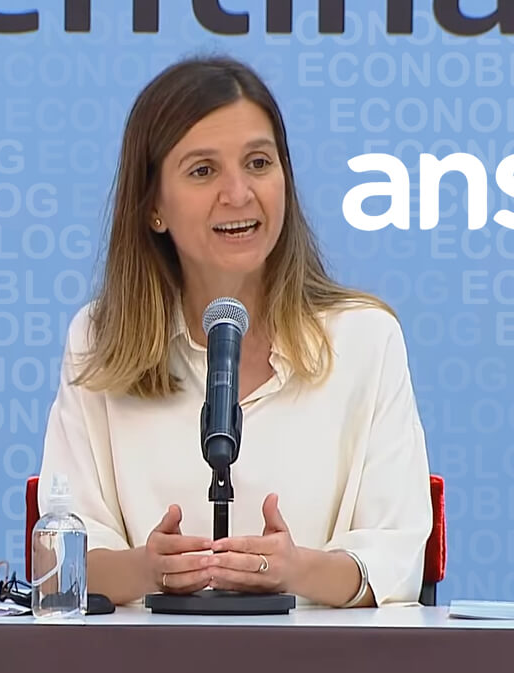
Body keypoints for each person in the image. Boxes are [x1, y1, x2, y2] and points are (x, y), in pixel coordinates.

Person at [37, 54, 432, 608]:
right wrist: (149, 570)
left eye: (258, 163)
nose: (239, 193)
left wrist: (296, 571)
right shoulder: (100, 339)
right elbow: (60, 561)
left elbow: (398, 557)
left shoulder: (365, 339)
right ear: (153, 207)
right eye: (203, 171)